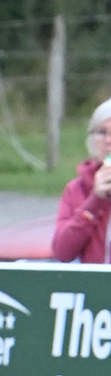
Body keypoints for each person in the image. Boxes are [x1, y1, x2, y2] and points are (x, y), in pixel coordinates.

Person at [52, 98, 111, 264]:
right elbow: (63, 252)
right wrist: (95, 200)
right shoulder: (77, 189)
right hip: (94, 286)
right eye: (101, 132)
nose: (108, 141)